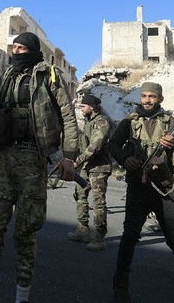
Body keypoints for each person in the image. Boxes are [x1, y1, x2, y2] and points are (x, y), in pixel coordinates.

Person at [0, 31, 78, 303]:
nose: (15, 51)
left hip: (32, 159)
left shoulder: (48, 75)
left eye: (20, 47)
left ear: (31, 49)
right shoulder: (6, 76)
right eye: (13, 47)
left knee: (26, 233)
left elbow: (67, 115)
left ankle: (22, 298)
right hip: (4, 159)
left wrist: (69, 155)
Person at [107, 82, 174, 303]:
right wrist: (126, 159)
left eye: (152, 97)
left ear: (160, 99)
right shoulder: (129, 121)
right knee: (129, 236)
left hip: (164, 187)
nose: (147, 100)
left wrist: (172, 144)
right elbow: (113, 145)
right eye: (144, 96)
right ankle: (120, 287)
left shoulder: (170, 122)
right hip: (138, 186)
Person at [67, 93, 113, 251]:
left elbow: (95, 146)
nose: (80, 109)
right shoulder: (90, 122)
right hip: (87, 166)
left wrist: (77, 162)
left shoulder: (102, 122)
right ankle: (83, 230)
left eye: (83, 106)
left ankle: (99, 238)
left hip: (99, 168)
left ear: (92, 107)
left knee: (98, 203)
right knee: (80, 194)